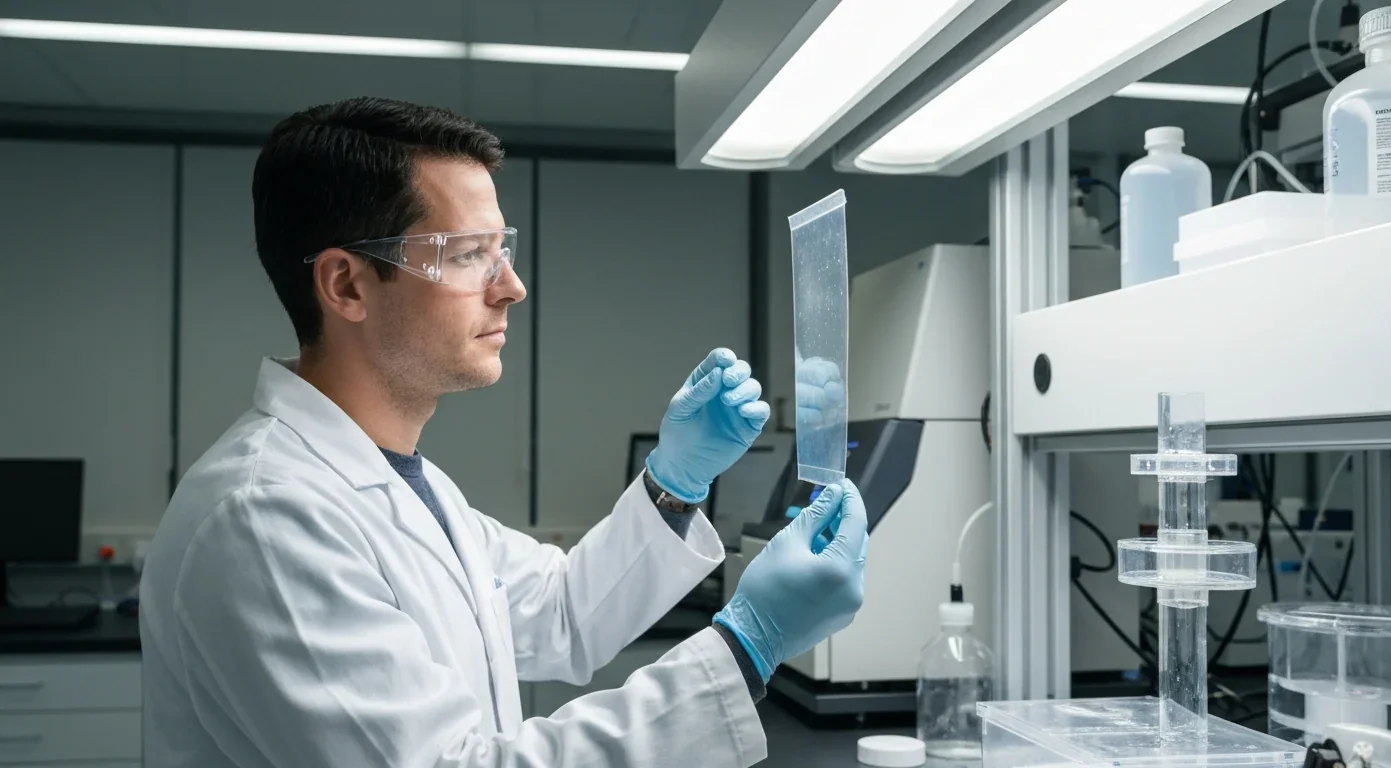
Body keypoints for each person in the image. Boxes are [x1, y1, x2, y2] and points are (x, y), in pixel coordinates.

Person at [139, 96, 869, 768]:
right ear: (347, 285)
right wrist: (746, 645)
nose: (511, 286)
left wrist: (674, 487)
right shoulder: (266, 517)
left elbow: (560, 615)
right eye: (466, 256)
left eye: (502, 249)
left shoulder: (405, 482)